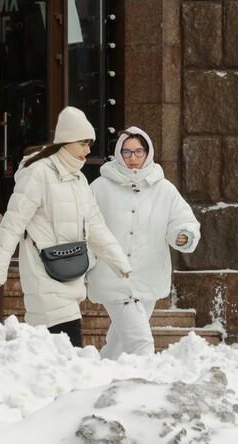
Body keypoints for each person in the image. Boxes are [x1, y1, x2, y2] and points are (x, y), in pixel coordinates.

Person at [0, 107, 131, 347]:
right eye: (83, 143)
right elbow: (13, 223)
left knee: (53, 352)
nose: (88, 150)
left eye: (89, 144)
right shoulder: (38, 173)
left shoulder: (78, 179)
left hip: (70, 271)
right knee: (69, 346)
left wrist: (119, 261)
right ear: (67, 141)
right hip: (43, 270)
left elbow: (95, 225)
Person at [86, 126, 201, 359]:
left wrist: (182, 234)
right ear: (118, 154)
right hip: (112, 275)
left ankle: (102, 375)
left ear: (148, 153)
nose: (133, 158)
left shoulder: (164, 189)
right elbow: (84, 225)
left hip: (148, 275)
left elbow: (183, 220)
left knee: (119, 343)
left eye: (138, 152)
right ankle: (146, 388)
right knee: (141, 343)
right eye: (127, 153)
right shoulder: (100, 188)